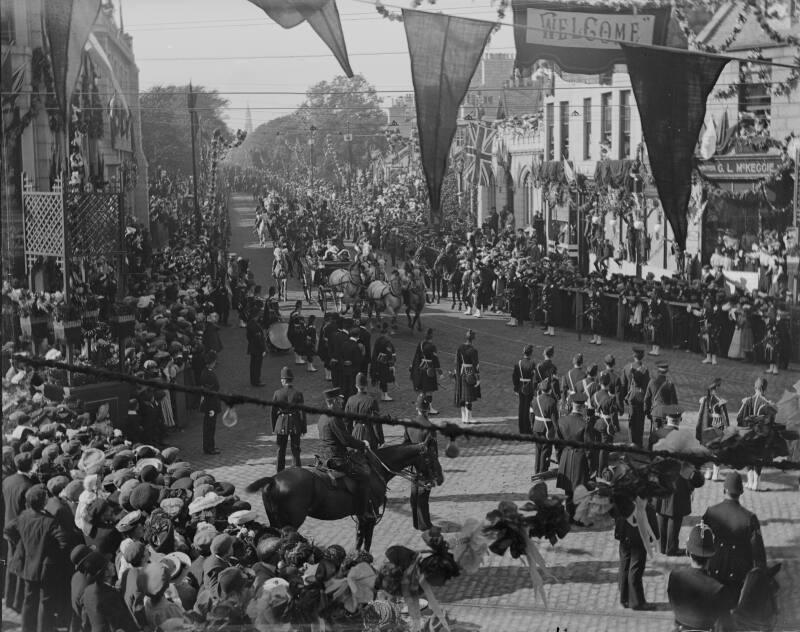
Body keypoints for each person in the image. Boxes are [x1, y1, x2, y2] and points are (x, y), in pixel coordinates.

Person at [3, 484, 69, 632]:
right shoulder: (49, 521)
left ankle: (27, 628)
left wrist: (21, 543)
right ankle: (43, 628)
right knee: (46, 601)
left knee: (29, 599)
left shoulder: (24, 516)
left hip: (28, 566)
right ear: (43, 502)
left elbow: (8, 530)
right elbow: (63, 542)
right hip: (45, 568)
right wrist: (51, 554)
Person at [702, 472, 767, 599]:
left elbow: (700, 539)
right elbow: (758, 553)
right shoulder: (750, 518)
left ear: (724, 490)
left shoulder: (711, 512)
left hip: (715, 567)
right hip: (740, 572)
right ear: (741, 492)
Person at [316, 388, 375, 520]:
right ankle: (362, 511)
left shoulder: (323, 416)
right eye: (339, 400)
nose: (342, 402)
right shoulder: (334, 418)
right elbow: (345, 440)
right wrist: (363, 444)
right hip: (335, 458)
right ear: (333, 401)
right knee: (364, 475)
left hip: (323, 455)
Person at [667, 522, 736, 631]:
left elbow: (673, 603)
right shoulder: (718, 589)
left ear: (688, 552)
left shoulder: (674, 576)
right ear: (711, 556)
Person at [612, 494, 659, 611]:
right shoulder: (646, 507)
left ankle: (624, 598)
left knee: (624, 566)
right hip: (638, 541)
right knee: (635, 570)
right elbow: (653, 529)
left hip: (624, 537)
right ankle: (637, 602)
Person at [404, 394, 442, 531]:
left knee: (414, 494)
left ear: (417, 408)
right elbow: (433, 453)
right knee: (423, 496)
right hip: (425, 466)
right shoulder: (430, 427)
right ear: (428, 410)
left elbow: (405, 445)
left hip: (413, 466)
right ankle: (425, 524)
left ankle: (416, 522)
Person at [3, 452, 34, 612]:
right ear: (30, 465)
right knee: (21, 565)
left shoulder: (7, 480)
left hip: (9, 526)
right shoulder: (28, 485)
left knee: (11, 562)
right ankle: (18, 601)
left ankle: (9, 598)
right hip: (22, 530)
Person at [556, 392, 590, 521]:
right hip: (579, 459)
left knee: (568, 489)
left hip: (565, 456)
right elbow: (589, 448)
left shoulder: (562, 420)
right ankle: (578, 518)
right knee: (580, 490)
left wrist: (560, 460)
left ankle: (569, 515)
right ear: (583, 407)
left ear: (572, 405)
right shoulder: (585, 424)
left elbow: (557, 444)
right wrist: (591, 467)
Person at [736, 377, 773, 491]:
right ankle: (756, 484)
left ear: (755, 387)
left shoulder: (748, 400)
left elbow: (739, 417)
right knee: (758, 458)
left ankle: (749, 482)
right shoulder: (766, 403)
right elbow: (769, 421)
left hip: (748, 433)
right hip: (760, 435)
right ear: (764, 389)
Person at [270, 367, 307, 472]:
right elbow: (302, 412)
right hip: (295, 423)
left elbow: (273, 412)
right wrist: (303, 428)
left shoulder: (277, 393)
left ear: (283, 380)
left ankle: (279, 471)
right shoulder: (298, 393)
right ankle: (297, 472)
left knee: (280, 449)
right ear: (291, 380)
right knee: (295, 449)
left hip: (281, 424)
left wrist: (274, 427)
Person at [696, 377, 730, 481]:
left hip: (705, 428)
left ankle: (708, 472)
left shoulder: (704, 400)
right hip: (717, 428)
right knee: (716, 451)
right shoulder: (720, 402)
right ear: (716, 389)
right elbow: (725, 418)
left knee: (707, 450)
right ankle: (715, 474)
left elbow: (700, 415)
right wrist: (728, 429)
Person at [347, 373, 384, 451]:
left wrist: (349, 437)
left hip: (355, 432)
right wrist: (380, 439)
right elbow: (376, 423)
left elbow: (347, 421)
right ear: (366, 385)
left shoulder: (350, 400)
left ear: (356, 386)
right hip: (369, 433)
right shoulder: (371, 401)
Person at [621, 348, 650, 447]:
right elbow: (646, 387)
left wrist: (624, 398)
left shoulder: (627, 367)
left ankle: (632, 442)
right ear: (642, 357)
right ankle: (639, 443)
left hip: (631, 397)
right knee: (640, 421)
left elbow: (623, 385)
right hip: (641, 398)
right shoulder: (645, 370)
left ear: (633, 356)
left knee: (631, 420)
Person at [531, 378, 560, 475]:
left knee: (538, 450)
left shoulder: (535, 400)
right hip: (547, 429)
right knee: (546, 450)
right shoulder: (551, 401)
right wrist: (557, 431)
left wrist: (532, 425)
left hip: (536, 427)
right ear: (550, 390)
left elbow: (531, 415)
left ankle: (536, 470)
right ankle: (542, 471)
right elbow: (554, 419)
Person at [410, 328, 441, 414]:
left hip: (421, 368)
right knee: (429, 391)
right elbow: (435, 360)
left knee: (422, 389)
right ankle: (429, 408)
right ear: (431, 335)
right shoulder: (432, 346)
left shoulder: (420, 344)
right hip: (429, 370)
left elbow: (417, 357)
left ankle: (419, 406)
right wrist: (440, 372)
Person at [644, 361, 678, 436]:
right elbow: (674, 403)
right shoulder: (670, 384)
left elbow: (646, 399)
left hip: (655, 411)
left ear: (658, 371)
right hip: (666, 413)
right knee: (664, 435)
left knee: (654, 433)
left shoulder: (652, 382)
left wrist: (647, 412)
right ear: (666, 371)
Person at [454, 329, 480, 424]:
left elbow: (457, 362)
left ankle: (464, 417)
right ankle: (469, 418)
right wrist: (478, 379)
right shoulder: (473, 350)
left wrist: (456, 373)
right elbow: (476, 366)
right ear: (473, 338)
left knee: (462, 396)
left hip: (461, 373)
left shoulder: (460, 348)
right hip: (470, 374)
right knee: (468, 398)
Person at [199, 351, 222, 455]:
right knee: (210, 427)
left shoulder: (205, 372)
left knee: (209, 426)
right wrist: (212, 408)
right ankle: (209, 447)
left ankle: (209, 446)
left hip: (209, 403)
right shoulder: (208, 374)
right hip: (211, 404)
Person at [512, 345, 536, 434]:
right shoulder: (532, 364)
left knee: (521, 407)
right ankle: (527, 428)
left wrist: (516, 387)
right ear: (531, 353)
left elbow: (514, 376)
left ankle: (521, 428)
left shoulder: (518, 363)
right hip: (529, 387)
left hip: (521, 387)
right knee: (528, 408)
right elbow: (534, 377)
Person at [370, 322, 396, 402]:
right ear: (386, 333)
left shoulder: (378, 340)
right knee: (384, 379)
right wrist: (392, 364)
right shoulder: (387, 342)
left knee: (380, 378)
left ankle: (382, 394)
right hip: (384, 363)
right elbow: (389, 353)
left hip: (377, 362)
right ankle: (385, 395)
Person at [340, 326, 364, 400]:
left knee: (345, 386)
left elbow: (340, 355)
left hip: (345, 369)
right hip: (354, 370)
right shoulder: (356, 346)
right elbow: (358, 360)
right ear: (358, 335)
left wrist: (344, 362)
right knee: (353, 387)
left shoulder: (344, 343)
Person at [246, 308, 267, 387]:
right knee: (257, 366)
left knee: (253, 365)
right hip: (257, 348)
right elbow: (259, 339)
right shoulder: (255, 326)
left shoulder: (250, 323)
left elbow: (248, 337)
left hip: (252, 346)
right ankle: (256, 381)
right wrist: (263, 349)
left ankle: (253, 380)